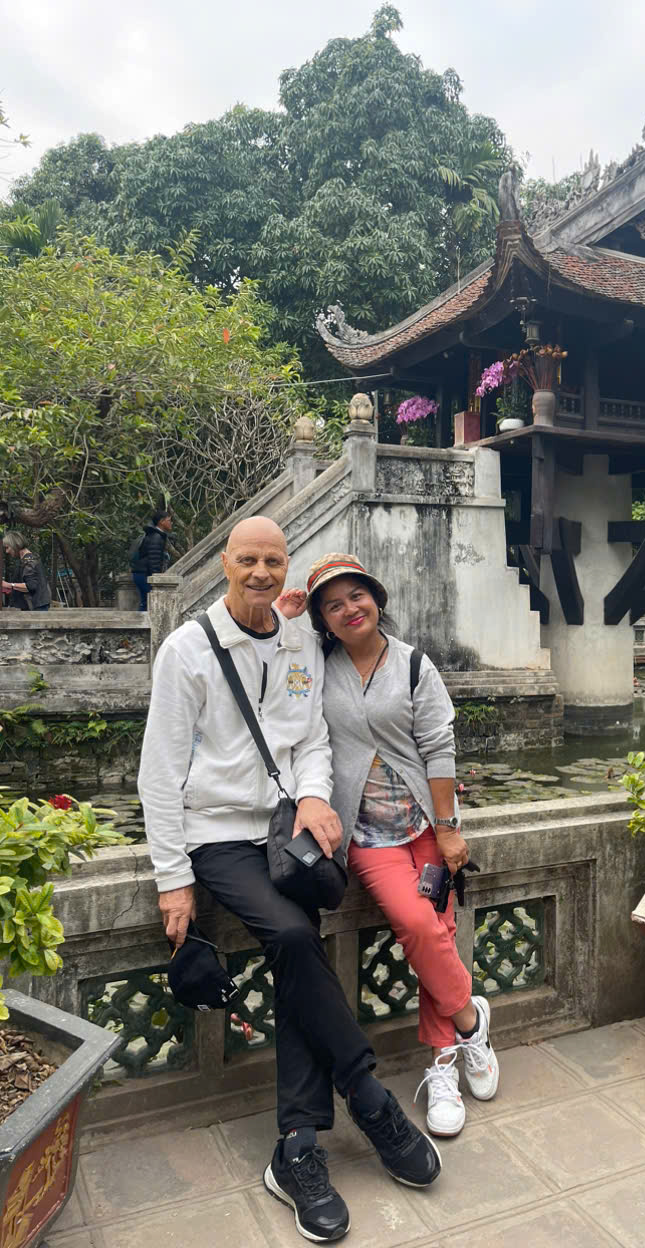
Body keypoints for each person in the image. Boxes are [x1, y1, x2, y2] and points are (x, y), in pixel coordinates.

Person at [138, 517, 440, 1245]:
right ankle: (367, 1096)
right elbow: (159, 770)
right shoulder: (188, 650)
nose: (261, 573)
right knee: (294, 936)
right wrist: (173, 877)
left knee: (299, 948)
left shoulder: (301, 639)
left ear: (286, 568)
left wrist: (311, 795)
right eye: (248, 559)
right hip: (217, 834)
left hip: (284, 829)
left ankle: (297, 1147)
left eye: (274, 561)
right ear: (225, 562)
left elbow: (312, 739)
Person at [277, 553, 499, 1141]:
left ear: (376, 599)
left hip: (425, 826)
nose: (349, 609)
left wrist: (447, 828)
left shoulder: (414, 665)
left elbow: (439, 748)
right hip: (366, 834)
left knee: (438, 935)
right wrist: (285, 614)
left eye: (357, 596)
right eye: (333, 604)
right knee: (419, 925)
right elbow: (267, 665)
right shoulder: (317, 664)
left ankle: (444, 1065)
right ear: (323, 619)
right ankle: (471, 1020)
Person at [131, 509, 173, 611]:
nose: (171, 523)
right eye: (169, 520)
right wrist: (156, 580)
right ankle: (139, 622)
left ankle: (140, 621)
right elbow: (154, 560)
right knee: (149, 603)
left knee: (146, 603)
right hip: (144, 574)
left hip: (140, 573)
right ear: (161, 522)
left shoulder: (154, 535)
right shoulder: (156, 537)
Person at [1, 531, 51, 611]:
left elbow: (31, 586)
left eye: (7, 547)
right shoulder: (27, 559)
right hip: (35, 606)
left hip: (36, 608)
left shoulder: (29, 561)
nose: (7, 551)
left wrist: (9, 585)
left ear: (15, 545)